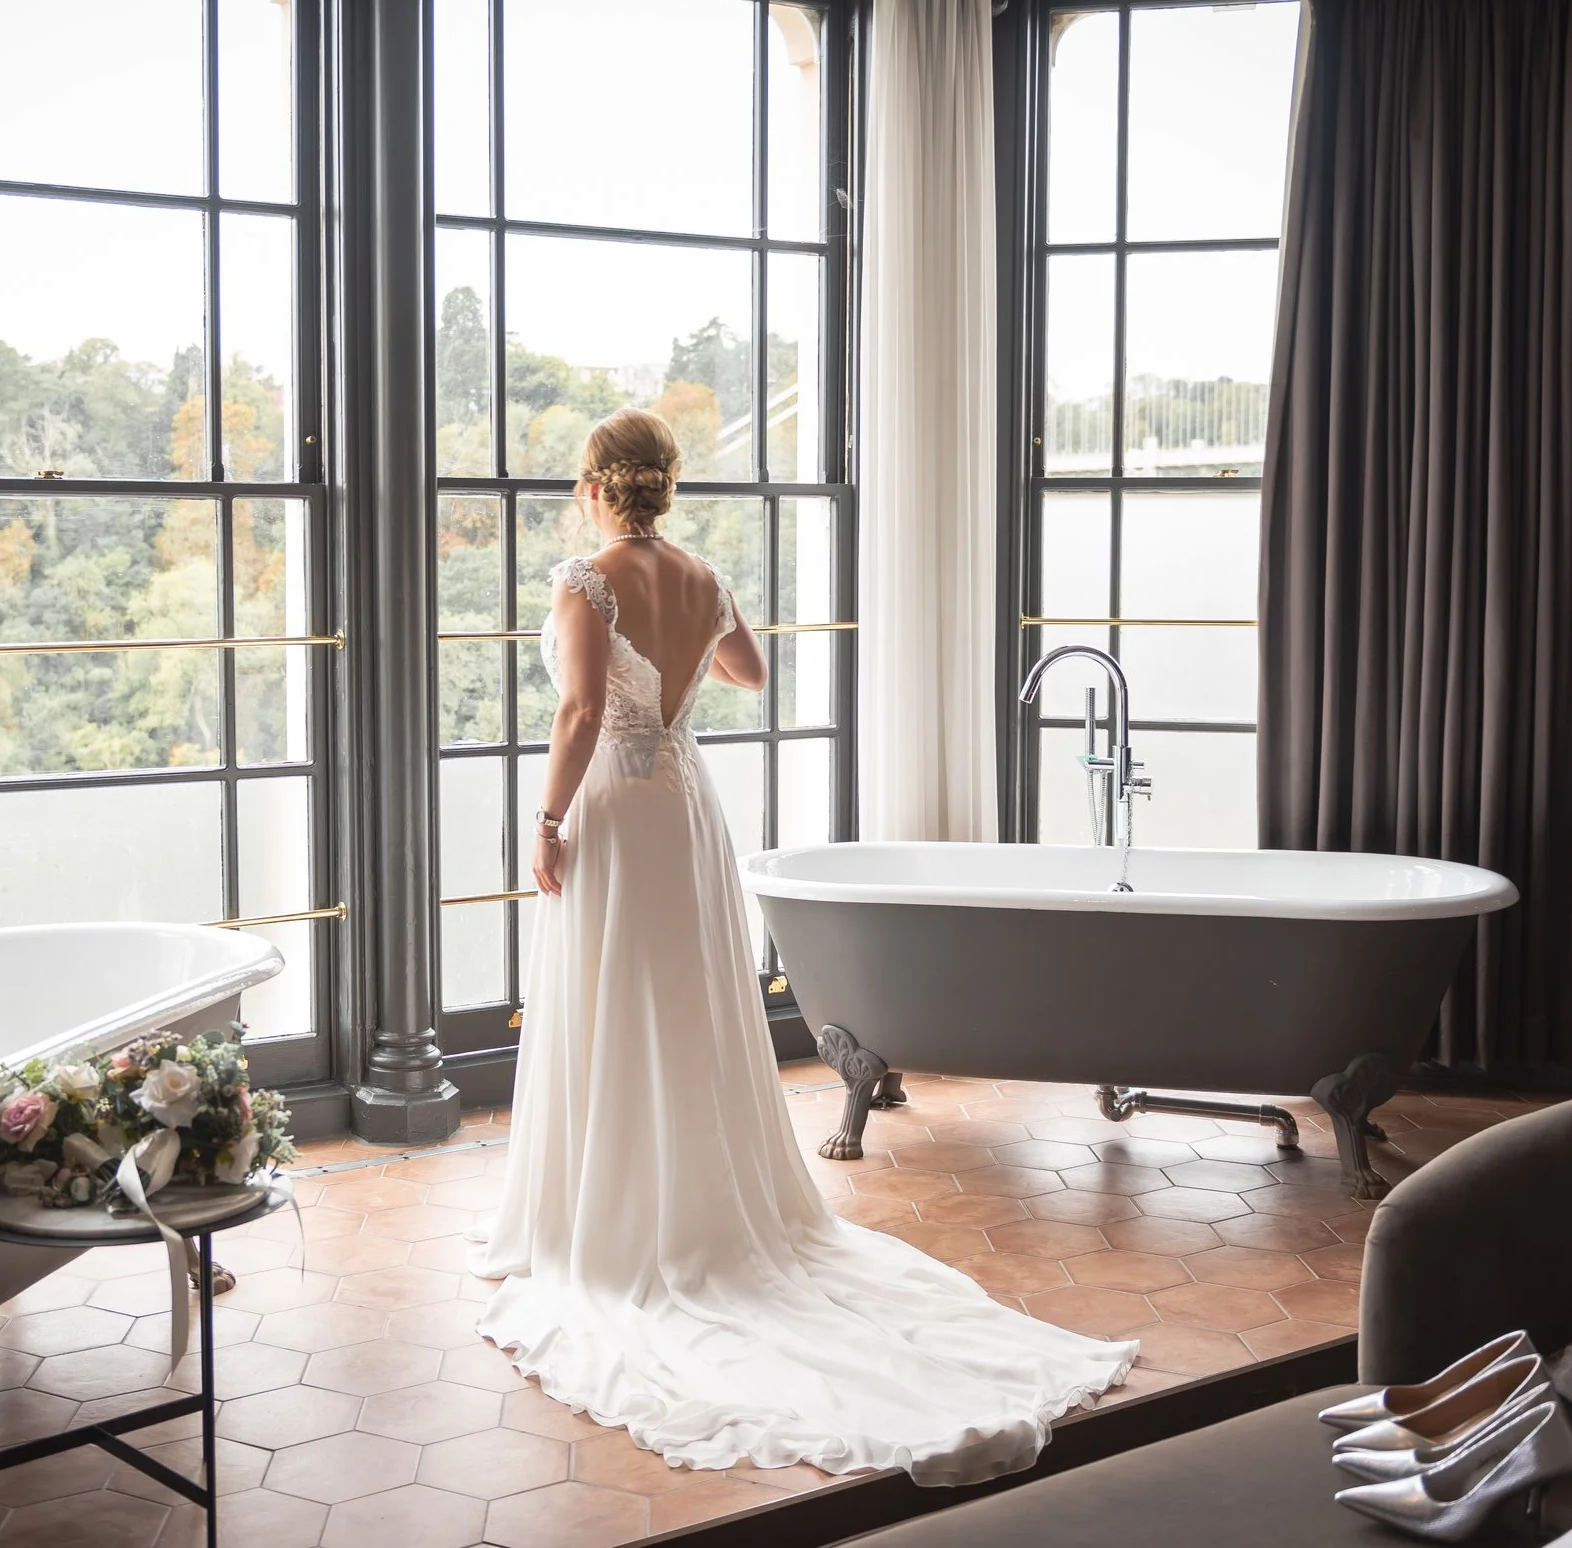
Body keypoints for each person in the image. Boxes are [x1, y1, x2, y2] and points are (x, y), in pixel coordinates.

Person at [468, 409, 1136, 1487]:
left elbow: (583, 710)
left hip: (619, 806)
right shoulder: (700, 573)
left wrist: (543, 822)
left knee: (619, 1000)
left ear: (594, 486)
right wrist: (683, 663)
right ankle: (694, 1198)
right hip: (685, 805)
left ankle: (618, 1218)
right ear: (667, 487)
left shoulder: (584, 580)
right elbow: (749, 676)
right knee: (681, 1003)